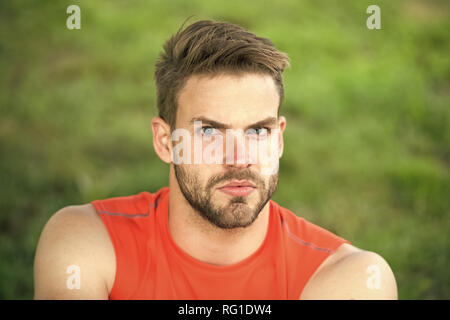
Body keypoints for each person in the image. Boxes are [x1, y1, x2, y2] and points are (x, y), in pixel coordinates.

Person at [33, 20, 397, 300]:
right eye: (210, 133)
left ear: (279, 138)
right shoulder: (85, 241)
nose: (239, 159)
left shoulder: (352, 278)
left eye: (258, 132)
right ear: (165, 141)